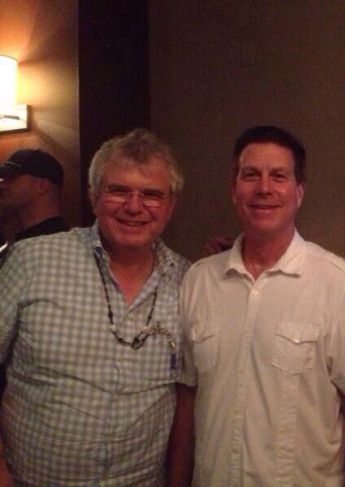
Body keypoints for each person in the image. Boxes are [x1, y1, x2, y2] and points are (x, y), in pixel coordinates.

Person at [170, 125, 345, 486]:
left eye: (279, 176)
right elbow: (188, 398)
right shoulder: (199, 280)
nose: (264, 188)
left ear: (299, 192)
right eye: (251, 175)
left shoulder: (339, 285)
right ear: (234, 189)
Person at [0, 129, 190, 485]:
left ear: (171, 205)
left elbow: (185, 402)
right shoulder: (32, 260)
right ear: (94, 196)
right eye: (118, 190)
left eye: (151, 194)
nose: (134, 206)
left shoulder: (189, 283)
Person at [0, 149, 68, 245]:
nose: (2, 185)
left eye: (11, 178)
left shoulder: (54, 244)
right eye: (3, 179)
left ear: (42, 186)